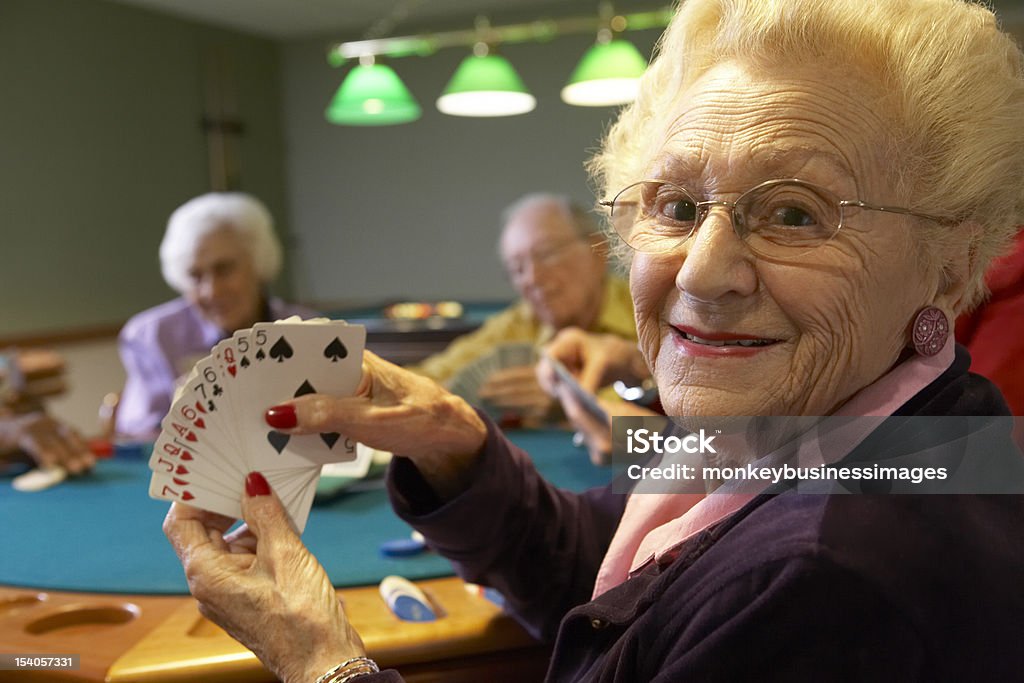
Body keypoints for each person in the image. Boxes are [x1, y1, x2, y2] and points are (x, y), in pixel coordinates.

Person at [163, 0, 1024, 680]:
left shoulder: (823, 581)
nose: (699, 272)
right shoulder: (914, 422)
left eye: (796, 213)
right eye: (676, 206)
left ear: (953, 264)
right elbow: (623, 586)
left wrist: (325, 662)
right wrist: (463, 450)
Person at [410, 194, 636, 419]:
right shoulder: (517, 325)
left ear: (598, 250)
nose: (531, 278)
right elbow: (420, 380)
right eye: (517, 268)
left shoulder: (648, 311)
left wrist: (573, 400)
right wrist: (449, 393)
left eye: (546, 254)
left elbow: (664, 430)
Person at [116, 193, 316, 437]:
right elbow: (139, 435)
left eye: (224, 269)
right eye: (195, 276)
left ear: (259, 263)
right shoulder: (152, 336)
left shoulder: (310, 328)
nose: (211, 291)